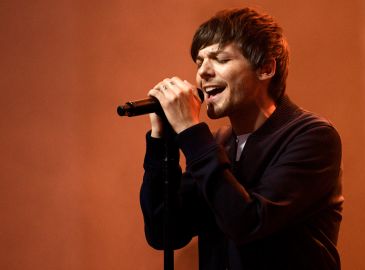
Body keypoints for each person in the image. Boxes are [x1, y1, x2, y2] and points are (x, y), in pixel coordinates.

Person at [140, 7, 343, 270]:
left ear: (266, 68)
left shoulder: (312, 135)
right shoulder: (219, 143)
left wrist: (191, 132)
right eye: (199, 62)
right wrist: (160, 144)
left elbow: (248, 222)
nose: (203, 73)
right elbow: (164, 232)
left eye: (220, 59)